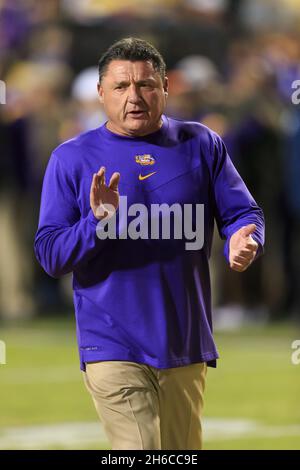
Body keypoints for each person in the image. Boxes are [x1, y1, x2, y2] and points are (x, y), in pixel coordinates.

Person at [34, 37, 265, 450]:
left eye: (146, 85)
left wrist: (243, 239)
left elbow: (243, 214)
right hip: (111, 342)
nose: (134, 96)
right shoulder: (71, 159)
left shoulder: (202, 144)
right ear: (101, 93)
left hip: (184, 341)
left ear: (165, 89)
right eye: (121, 87)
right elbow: (51, 255)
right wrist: (98, 222)